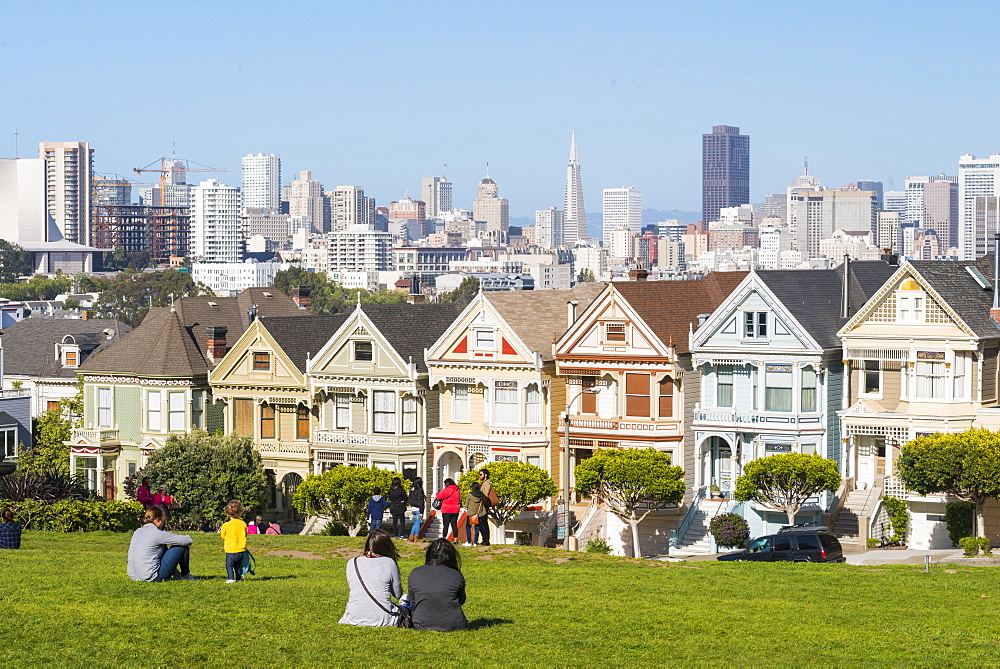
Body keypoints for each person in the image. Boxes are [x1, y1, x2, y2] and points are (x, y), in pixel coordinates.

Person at [339, 529, 403, 627]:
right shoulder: (389, 562)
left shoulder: (352, 562)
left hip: (353, 616)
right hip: (383, 618)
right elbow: (398, 594)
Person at [408, 538, 467, 632]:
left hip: (420, 624)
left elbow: (413, 600)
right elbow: (462, 600)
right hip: (455, 624)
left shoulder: (415, 572)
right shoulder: (456, 574)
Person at [127, 505, 197, 582]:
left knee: (162, 546)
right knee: (182, 547)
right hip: (151, 577)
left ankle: (177, 574)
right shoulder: (157, 533)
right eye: (163, 520)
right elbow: (188, 540)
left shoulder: (138, 531)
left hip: (134, 576)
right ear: (158, 520)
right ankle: (186, 575)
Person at [220, 500, 248, 584]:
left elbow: (222, 536)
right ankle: (238, 578)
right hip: (241, 549)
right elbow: (246, 534)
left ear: (227, 514)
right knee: (238, 566)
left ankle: (231, 578)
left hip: (231, 549)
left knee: (229, 565)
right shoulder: (243, 523)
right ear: (240, 512)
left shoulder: (226, 525)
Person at [435, 478, 461, 543]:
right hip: (455, 509)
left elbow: (439, 497)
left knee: (446, 525)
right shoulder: (457, 489)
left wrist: (437, 493)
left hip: (447, 509)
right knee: (454, 525)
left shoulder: (447, 489)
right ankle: (456, 540)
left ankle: (444, 538)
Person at [463, 482, 486, 547]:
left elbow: (466, 504)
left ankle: (469, 541)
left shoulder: (470, 495)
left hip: (470, 513)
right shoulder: (481, 495)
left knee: (468, 527)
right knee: (477, 527)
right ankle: (475, 542)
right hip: (477, 513)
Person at [477, 468, 494, 547]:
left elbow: (485, 494)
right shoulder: (484, 483)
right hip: (483, 504)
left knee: (483, 523)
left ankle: (486, 540)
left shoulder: (486, 483)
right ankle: (485, 539)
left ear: (485, 475)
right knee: (482, 523)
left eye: (481, 474)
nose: (479, 476)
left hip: (484, 505)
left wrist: (481, 505)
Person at [407, 477, 426, 542]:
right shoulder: (420, 490)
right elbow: (420, 501)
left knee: (415, 523)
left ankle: (411, 537)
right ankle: (416, 537)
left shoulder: (412, 490)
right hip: (418, 508)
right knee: (417, 524)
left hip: (413, 508)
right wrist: (421, 511)